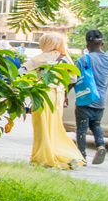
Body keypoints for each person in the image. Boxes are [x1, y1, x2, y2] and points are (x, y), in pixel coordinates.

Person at [26, 33, 87, 170]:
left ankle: (42, 157)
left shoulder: (38, 58)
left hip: (40, 95)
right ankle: (64, 155)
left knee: (41, 126)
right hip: (56, 97)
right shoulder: (64, 60)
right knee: (55, 126)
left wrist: (31, 82)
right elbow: (73, 79)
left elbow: (21, 71)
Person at [74, 29, 108, 164]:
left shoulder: (83, 59)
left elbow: (74, 78)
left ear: (87, 44)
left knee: (82, 128)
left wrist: (64, 94)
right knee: (96, 125)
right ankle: (100, 146)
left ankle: (82, 156)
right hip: (101, 100)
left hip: (85, 99)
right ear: (102, 43)